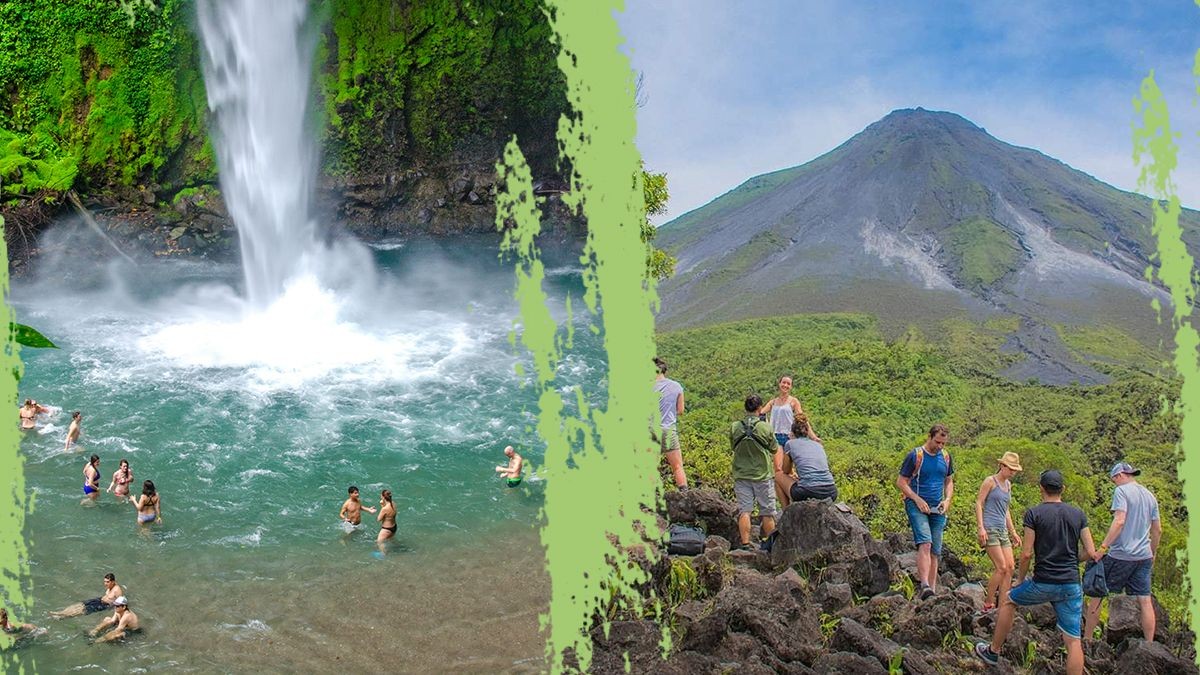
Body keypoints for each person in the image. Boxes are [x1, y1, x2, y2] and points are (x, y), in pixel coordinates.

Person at [975, 470, 1099, 675]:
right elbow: (1091, 551)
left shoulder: (1034, 513)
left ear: (1041, 488)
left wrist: (1021, 579)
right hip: (1071, 583)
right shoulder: (1078, 514)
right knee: (1073, 640)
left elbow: (1026, 554)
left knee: (1008, 601)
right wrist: (1070, 560)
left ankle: (993, 651)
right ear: (1063, 490)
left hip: (1043, 582)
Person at [1083, 462, 1162, 642]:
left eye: (1113, 481)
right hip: (1144, 556)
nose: (1114, 485)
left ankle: (1087, 641)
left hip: (1121, 555)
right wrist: (1152, 552)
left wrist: (1102, 549)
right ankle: (1149, 645)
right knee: (1145, 600)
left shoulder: (1121, 492)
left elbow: (1119, 521)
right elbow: (1157, 530)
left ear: (1119, 476)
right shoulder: (1150, 496)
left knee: (1097, 594)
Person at [896, 423, 954, 600]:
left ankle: (932, 591)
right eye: (937, 442)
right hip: (916, 505)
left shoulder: (945, 457)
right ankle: (924, 585)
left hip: (938, 508)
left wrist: (947, 499)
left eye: (943, 443)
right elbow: (901, 482)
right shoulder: (916, 456)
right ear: (929, 437)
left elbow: (949, 481)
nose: (940, 446)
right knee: (925, 543)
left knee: (935, 550)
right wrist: (917, 499)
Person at [974, 452, 1024, 613]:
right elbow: (979, 503)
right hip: (990, 528)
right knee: (1001, 567)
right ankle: (988, 603)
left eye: (1014, 470)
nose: (1012, 472)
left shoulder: (1008, 485)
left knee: (1010, 567)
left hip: (1002, 529)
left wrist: (1013, 532)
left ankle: (1003, 604)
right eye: (1010, 469)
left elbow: (1005, 510)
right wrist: (980, 527)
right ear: (1002, 466)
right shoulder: (990, 481)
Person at [730, 394, 779, 551]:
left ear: (745, 408)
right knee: (767, 511)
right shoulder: (765, 427)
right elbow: (774, 449)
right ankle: (770, 546)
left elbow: (733, 446)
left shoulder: (735, 427)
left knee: (745, 510)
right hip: (762, 475)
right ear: (760, 408)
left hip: (741, 474)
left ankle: (745, 544)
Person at [774, 413, 836, 509]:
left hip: (807, 491)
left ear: (792, 432)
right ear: (807, 432)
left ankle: (786, 512)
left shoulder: (790, 444)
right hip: (831, 491)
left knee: (778, 476)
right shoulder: (818, 445)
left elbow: (785, 471)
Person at [653, 357, 688, 490]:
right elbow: (680, 411)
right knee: (677, 466)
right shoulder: (676, 386)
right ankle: (684, 494)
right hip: (668, 430)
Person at [757, 376, 820, 447]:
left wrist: (813, 437)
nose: (785, 385)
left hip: (789, 437)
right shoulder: (773, 402)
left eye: (788, 384)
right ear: (779, 384)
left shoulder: (793, 401)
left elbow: (802, 420)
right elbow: (760, 414)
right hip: (774, 437)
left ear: (791, 387)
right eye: (783, 382)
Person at [49, 573, 123, 618]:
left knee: (83, 610)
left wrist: (114, 612)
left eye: (107, 582)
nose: (105, 584)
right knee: (81, 605)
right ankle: (61, 612)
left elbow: (121, 603)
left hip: (104, 605)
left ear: (113, 581)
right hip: (99, 600)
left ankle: (62, 616)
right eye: (104, 581)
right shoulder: (110, 587)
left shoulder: (117, 590)